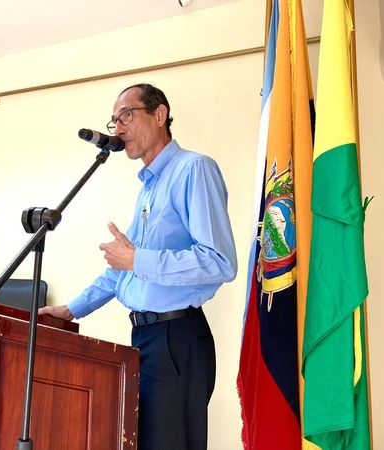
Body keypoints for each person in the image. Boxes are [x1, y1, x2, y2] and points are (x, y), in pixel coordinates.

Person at [39, 83, 237, 450]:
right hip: (145, 338)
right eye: (114, 120)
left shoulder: (193, 169)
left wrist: (137, 260)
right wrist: (71, 309)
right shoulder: (149, 188)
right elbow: (122, 269)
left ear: (160, 115)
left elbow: (219, 261)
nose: (118, 128)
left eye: (126, 115)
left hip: (176, 338)